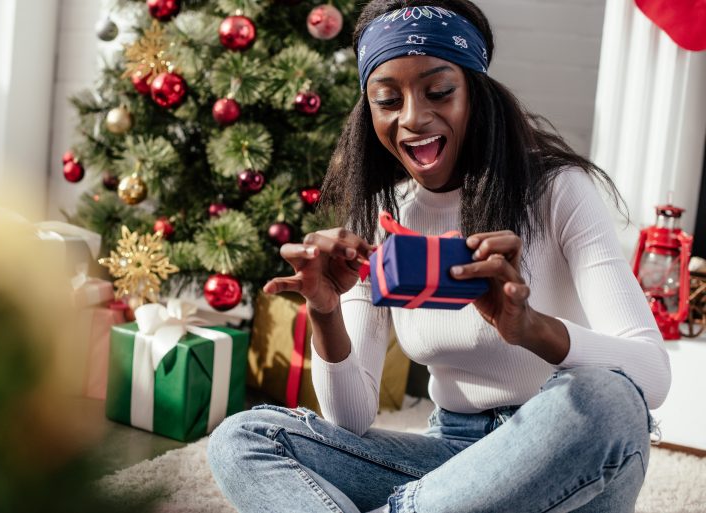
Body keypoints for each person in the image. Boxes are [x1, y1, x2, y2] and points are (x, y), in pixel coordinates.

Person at [208, 0, 672, 511]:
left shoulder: (558, 190)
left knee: (610, 398)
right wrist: (325, 310)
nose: (413, 118)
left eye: (439, 92)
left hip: (565, 452)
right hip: (451, 461)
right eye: (388, 100)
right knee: (244, 438)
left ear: (475, 90)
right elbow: (351, 420)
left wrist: (530, 328)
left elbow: (651, 376)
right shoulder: (380, 218)